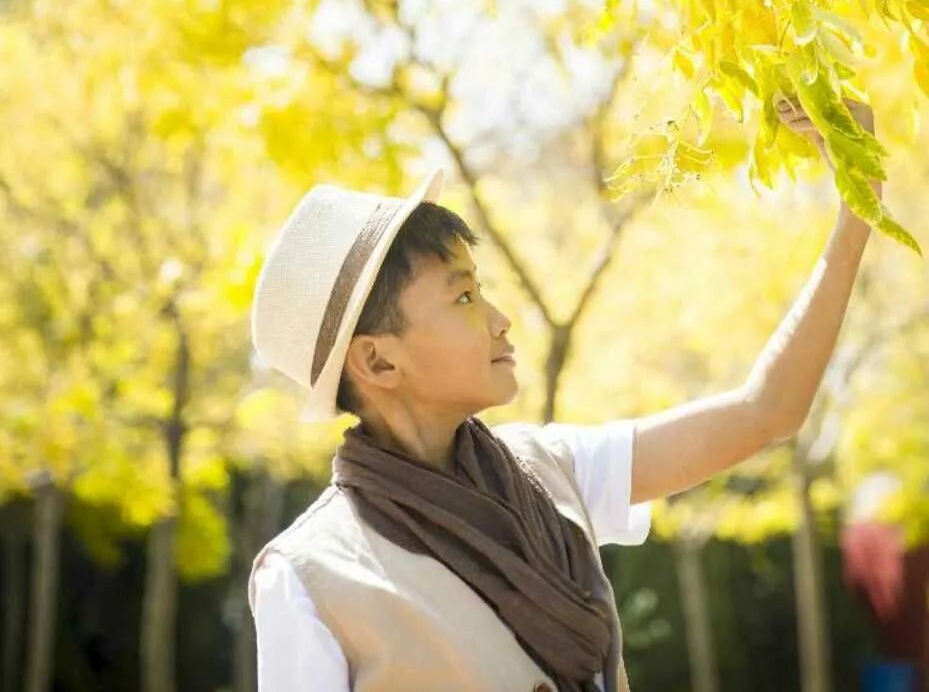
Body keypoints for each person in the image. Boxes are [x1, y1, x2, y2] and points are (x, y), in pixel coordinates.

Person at [247, 98, 879, 692]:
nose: (500, 318)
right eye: (464, 296)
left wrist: (856, 210)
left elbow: (765, 412)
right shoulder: (307, 578)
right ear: (378, 360)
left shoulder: (548, 470)